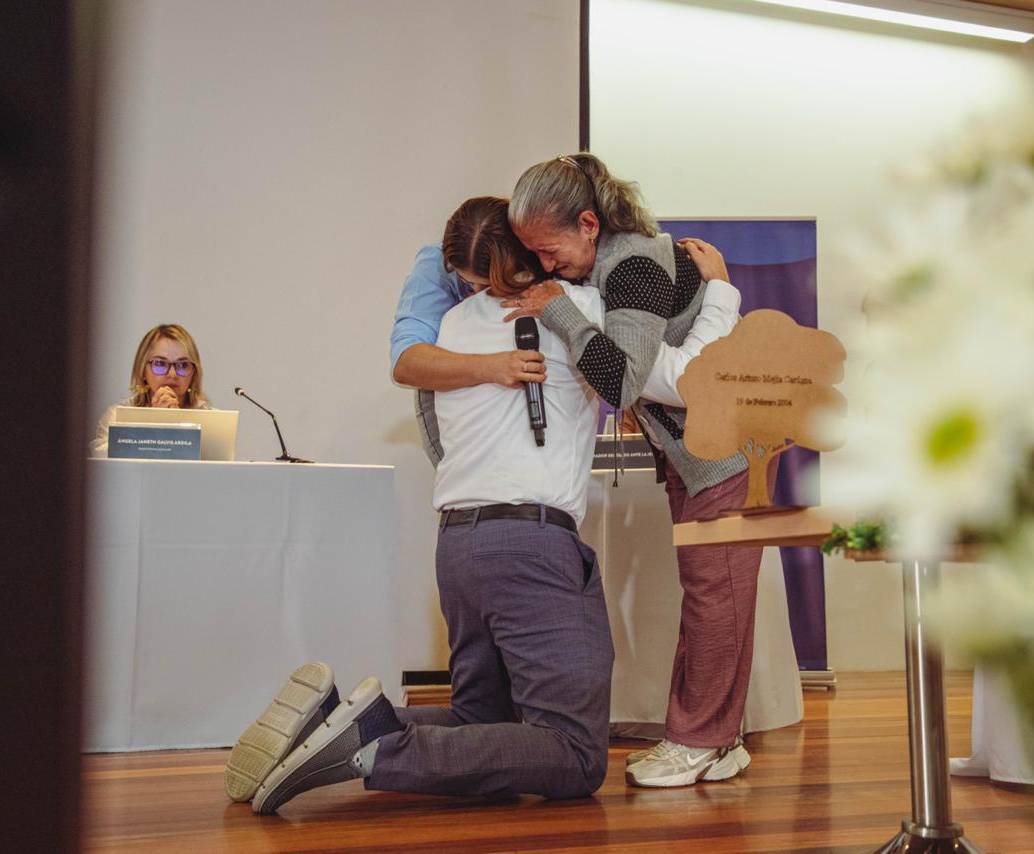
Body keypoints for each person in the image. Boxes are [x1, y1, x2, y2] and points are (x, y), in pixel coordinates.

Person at [224, 197, 741, 813]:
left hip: (459, 545)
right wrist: (718, 293)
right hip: (533, 546)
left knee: (482, 714)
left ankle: (328, 722)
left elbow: (426, 410)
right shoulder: (583, 312)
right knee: (575, 755)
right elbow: (685, 379)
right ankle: (370, 749)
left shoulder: (446, 330)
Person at [505, 153, 765, 788]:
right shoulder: (622, 264)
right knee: (713, 595)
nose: (545, 267)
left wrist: (558, 313)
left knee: (716, 597)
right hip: (700, 452)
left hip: (722, 451)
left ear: (589, 224)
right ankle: (714, 738)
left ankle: (698, 739)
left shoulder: (635, 268)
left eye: (549, 249)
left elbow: (621, 381)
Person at [90, 323, 210, 456]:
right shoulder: (117, 416)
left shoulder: (210, 419)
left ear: (194, 373)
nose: (172, 374)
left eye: (182, 365)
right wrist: (155, 423)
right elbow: (101, 464)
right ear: (142, 371)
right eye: (160, 364)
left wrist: (178, 424)